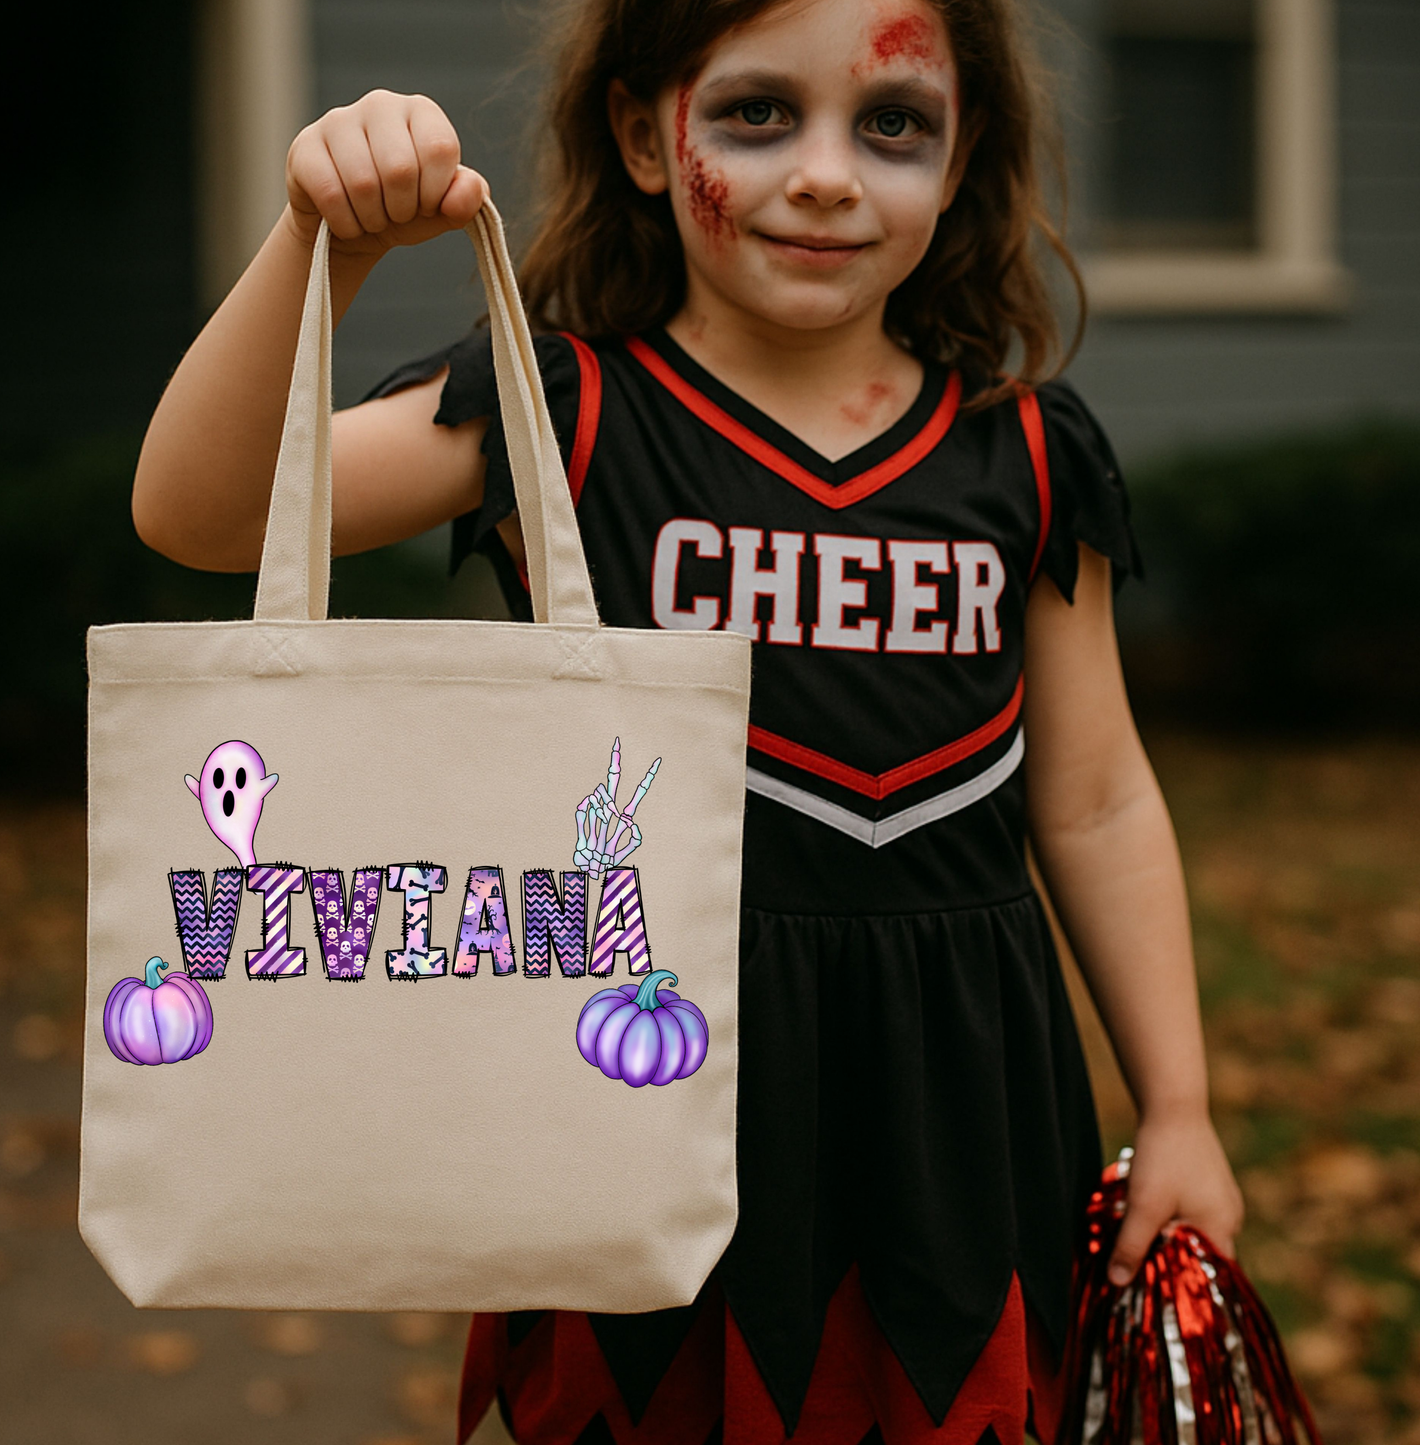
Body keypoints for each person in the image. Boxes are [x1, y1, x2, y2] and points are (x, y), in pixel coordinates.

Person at [133, 0, 1245, 1441]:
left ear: (966, 157)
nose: (830, 173)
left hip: (961, 1121)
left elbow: (1094, 800)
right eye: (759, 114)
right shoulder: (564, 411)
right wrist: (321, 249)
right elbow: (200, 514)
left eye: (893, 123)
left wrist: (1180, 1105)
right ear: (644, 136)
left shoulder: (1023, 455)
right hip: (641, 1089)